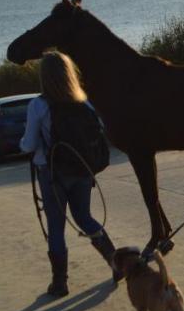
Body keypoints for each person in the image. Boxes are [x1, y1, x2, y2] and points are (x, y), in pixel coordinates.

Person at [20, 51, 118, 297]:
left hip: (52, 173)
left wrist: (23, 145)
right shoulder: (84, 103)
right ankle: (116, 263)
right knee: (85, 217)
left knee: (56, 226)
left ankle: (60, 282)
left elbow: (29, 144)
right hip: (82, 170)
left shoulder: (38, 105)